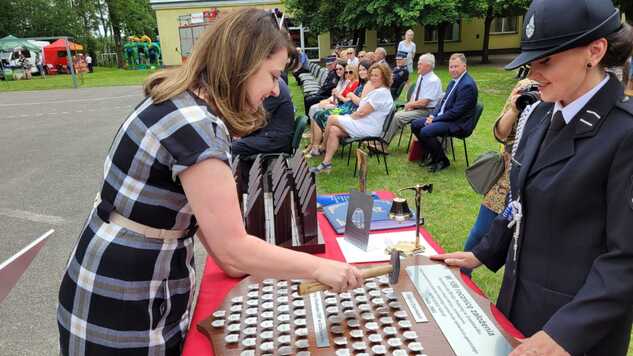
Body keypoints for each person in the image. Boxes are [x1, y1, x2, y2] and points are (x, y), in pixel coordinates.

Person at [57, 9, 363, 356]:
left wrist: (245, 261)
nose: (276, 87)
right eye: (272, 74)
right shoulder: (196, 127)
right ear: (243, 64)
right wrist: (320, 267)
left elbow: (220, 245)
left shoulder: (182, 102)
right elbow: (233, 248)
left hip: (128, 276)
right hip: (125, 294)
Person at [432, 0, 633, 354]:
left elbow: (625, 259)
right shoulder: (541, 113)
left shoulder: (624, 133)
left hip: (576, 332)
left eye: (547, 60)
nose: (533, 72)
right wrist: (481, 253)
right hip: (519, 306)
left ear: (595, 51)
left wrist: (564, 334)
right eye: (531, 59)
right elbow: (519, 202)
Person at [462, 78, 537, 276]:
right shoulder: (525, 86)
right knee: (479, 232)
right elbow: (500, 133)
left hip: (537, 178)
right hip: (507, 175)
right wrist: (514, 109)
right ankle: (461, 276)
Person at [310, 63, 394, 173]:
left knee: (331, 118)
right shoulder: (378, 90)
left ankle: (322, 147)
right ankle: (326, 164)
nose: (372, 78)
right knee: (333, 130)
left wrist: (349, 116)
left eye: (376, 75)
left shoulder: (381, 93)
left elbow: (362, 112)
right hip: (362, 123)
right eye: (372, 75)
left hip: (367, 127)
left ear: (384, 77)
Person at [411, 53, 478, 172]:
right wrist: (432, 115)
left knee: (426, 131)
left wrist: (434, 120)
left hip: (458, 123)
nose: (453, 70)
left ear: (464, 66)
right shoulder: (454, 81)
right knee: (415, 124)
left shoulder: (467, 85)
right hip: (446, 118)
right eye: (451, 67)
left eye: (456, 66)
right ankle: (434, 154)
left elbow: (456, 113)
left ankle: (442, 160)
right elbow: (442, 103)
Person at [383, 53, 443, 145]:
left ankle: (383, 144)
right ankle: (380, 139)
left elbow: (424, 103)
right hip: (418, 108)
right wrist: (411, 104)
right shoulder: (422, 77)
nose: (417, 66)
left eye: (420, 64)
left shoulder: (433, 80)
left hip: (428, 111)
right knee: (392, 114)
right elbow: (415, 95)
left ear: (428, 66)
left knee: (398, 117)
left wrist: (411, 105)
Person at [306, 63, 363, 157]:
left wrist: (339, 96)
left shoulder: (356, 84)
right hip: (342, 106)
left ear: (355, 72)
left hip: (346, 109)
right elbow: (344, 98)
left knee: (319, 115)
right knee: (316, 113)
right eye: (346, 72)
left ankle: (317, 147)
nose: (348, 74)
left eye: (350, 72)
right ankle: (313, 145)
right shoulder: (349, 82)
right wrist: (336, 95)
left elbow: (348, 100)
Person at [231, 78, 294, 157]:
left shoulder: (273, 90)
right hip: (270, 134)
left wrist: (238, 133)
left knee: (232, 148)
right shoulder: (275, 82)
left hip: (275, 140)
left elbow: (255, 118)